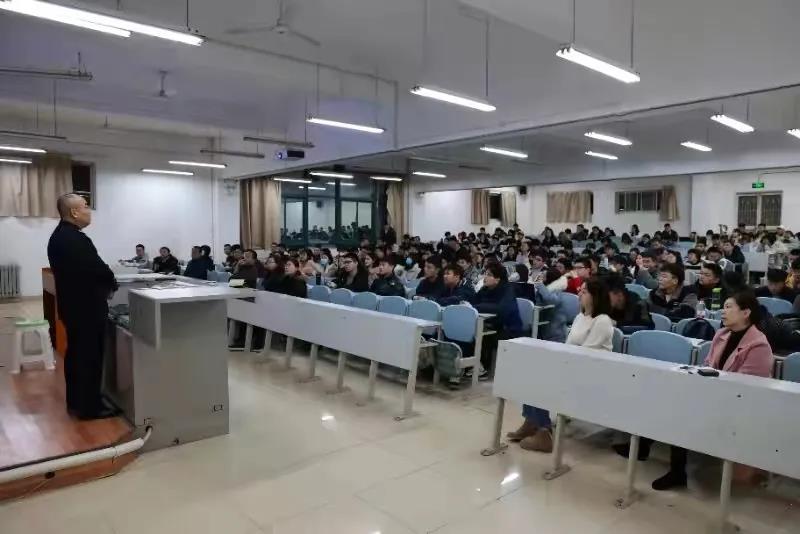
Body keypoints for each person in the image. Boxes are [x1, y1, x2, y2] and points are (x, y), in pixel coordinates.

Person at [649, 291, 772, 490]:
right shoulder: (721, 334)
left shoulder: (759, 345)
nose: (723, 311)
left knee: (681, 411)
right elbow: (708, 365)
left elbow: (748, 388)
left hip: (739, 403)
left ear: (746, 313)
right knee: (672, 401)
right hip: (713, 394)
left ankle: (666, 462)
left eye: (729, 307)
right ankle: (672, 466)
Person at [509, 277, 613, 453]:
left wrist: (558, 364)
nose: (579, 293)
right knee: (531, 373)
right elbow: (569, 346)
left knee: (540, 380)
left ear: (596, 296)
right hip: (573, 365)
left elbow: (587, 355)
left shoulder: (602, 321)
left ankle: (544, 433)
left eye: (584, 291)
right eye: (580, 290)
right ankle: (531, 422)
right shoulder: (581, 316)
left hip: (590, 372)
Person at [47, 193, 118, 420]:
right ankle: (90, 407)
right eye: (86, 206)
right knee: (90, 357)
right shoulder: (75, 239)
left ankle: (76, 402)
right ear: (74, 212)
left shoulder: (59, 236)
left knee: (76, 355)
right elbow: (97, 269)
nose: (89, 211)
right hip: (86, 310)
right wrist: (112, 282)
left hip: (73, 308)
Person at [470, 262, 523, 378]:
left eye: (489, 275)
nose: (485, 277)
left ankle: (482, 368)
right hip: (491, 325)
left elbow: (501, 309)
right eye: (485, 273)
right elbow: (473, 303)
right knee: (469, 332)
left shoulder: (508, 290)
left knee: (481, 336)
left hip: (508, 329)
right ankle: (472, 365)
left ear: (498, 279)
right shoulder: (485, 289)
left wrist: (476, 307)